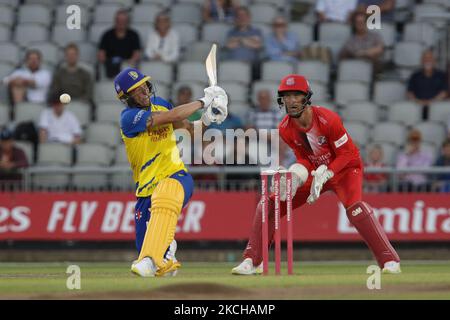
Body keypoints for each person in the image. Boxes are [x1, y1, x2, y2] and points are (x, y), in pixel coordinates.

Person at [232, 74, 401, 275]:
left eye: (297, 95)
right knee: (269, 203)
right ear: (281, 100)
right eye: (287, 96)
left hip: (345, 169)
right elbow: (304, 158)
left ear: (306, 98)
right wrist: (296, 176)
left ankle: (390, 261)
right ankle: (253, 260)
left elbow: (347, 153)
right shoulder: (285, 128)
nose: (291, 101)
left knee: (356, 210)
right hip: (315, 171)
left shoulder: (328, 119)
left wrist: (328, 172)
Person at [114, 67, 228, 277]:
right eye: (137, 91)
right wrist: (203, 102)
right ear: (127, 98)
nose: (144, 92)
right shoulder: (129, 118)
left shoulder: (162, 104)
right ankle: (166, 253)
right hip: (146, 189)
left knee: (164, 195)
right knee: (157, 267)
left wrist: (208, 118)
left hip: (176, 176)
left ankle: (154, 256)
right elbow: (170, 116)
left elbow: (189, 131)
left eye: (144, 86)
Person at [98, 9, 142, 79]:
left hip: (127, 65)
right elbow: (101, 55)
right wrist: (108, 62)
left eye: (124, 21)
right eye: (119, 20)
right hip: (110, 65)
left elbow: (137, 54)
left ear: (127, 22)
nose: (121, 23)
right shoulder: (107, 35)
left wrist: (128, 62)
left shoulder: (134, 35)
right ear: (115, 21)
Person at [407, 49, 448, 120]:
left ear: (434, 61)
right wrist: (419, 103)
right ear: (421, 61)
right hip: (418, 108)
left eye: (430, 58)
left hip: (436, 109)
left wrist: (430, 103)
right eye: (425, 58)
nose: (427, 60)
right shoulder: (414, 76)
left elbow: (444, 93)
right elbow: (409, 93)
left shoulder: (442, 75)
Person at [225, 7, 263, 77]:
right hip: (234, 65)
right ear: (236, 18)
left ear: (249, 17)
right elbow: (229, 46)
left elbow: (257, 45)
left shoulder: (256, 31)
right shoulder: (231, 32)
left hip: (252, 66)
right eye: (239, 15)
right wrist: (249, 40)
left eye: (244, 15)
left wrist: (239, 40)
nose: (242, 18)